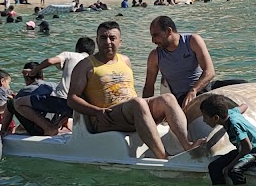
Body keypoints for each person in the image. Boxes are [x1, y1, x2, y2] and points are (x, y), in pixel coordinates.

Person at [64, 21, 198, 161]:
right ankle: (163, 157)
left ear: (120, 42)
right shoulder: (85, 65)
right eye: (103, 38)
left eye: (112, 38)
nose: (108, 42)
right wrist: (96, 111)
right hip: (106, 117)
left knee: (168, 98)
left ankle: (188, 146)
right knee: (137, 103)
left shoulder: (125, 60)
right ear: (97, 40)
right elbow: (72, 98)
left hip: (131, 111)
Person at [14, 37, 95, 137]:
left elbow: (50, 61)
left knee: (19, 103)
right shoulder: (93, 62)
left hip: (62, 102)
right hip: (80, 107)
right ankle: (58, 125)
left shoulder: (70, 55)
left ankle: (48, 128)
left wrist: (34, 71)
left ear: (77, 48)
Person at [143, 15, 216, 120]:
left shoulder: (192, 41)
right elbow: (149, 86)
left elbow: (210, 72)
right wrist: (146, 111)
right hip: (182, 98)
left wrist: (193, 91)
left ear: (169, 31)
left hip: (202, 88)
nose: (153, 40)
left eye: (155, 35)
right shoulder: (155, 56)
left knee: (241, 82)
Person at [199, 93, 256, 186]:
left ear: (216, 118)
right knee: (213, 167)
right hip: (242, 149)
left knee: (234, 171)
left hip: (255, 151)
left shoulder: (234, 125)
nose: (204, 120)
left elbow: (247, 148)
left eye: (205, 117)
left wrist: (229, 166)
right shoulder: (231, 112)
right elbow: (244, 106)